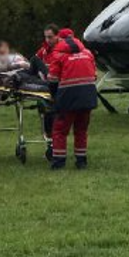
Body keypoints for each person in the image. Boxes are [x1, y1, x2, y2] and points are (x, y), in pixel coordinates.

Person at [45, 27, 98, 170]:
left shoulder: (58, 54)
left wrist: (55, 97)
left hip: (68, 97)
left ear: (60, 39)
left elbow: (53, 79)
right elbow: (94, 76)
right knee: (81, 130)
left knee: (59, 130)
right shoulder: (88, 53)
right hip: (88, 97)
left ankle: (59, 162)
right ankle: (81, 162)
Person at [33, 23, 59, 159]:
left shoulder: (61, 50)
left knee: (54, 119)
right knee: (45, 119)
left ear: (57, 36)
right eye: (46, 37)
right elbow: (35, 60)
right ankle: (50, 147)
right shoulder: (43, 51)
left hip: (57, 89)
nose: (48, 40)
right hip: (44, 89)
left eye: (50, 37)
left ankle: (56, 149)